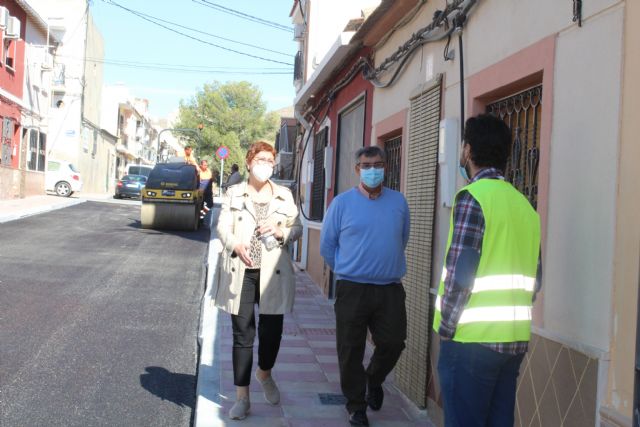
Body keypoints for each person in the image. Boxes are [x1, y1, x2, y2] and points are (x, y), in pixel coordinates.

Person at [434, 114, 541, 427]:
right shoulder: (526, 206)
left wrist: (447, 330)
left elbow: (459, 276)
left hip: (470, 343)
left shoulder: (472, 199)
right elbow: (536, 280)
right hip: (513, 341)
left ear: (467, 150)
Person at [320, 145, 410, 427]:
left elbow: (401, 239)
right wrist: (350, 269)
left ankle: (374, 378)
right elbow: (327, 247)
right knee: (350, 349)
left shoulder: (398, 202)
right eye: (367, 165)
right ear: (357, 169)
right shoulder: (341, 203)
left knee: (394, 343)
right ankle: (356, 406)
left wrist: (382, 265)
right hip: (353, 289)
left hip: (389, 289)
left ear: (386, 167)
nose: (373, 170)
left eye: (378, 164)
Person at [215, 140, 302, 420]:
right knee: (243, 336)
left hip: (273, 272)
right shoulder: (234, 193)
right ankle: (242, 397)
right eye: (261, 159)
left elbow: (297, 227)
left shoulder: (284, 195)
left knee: (271, 334)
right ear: (250, 162)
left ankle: (264, 373)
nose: (265, 164)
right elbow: (222, 226)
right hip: (241, 271)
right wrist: (234, 244)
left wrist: (279, 231)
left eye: (270, 160)